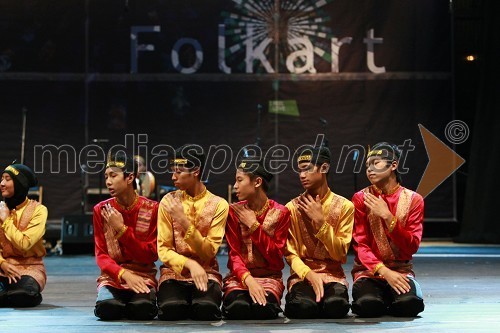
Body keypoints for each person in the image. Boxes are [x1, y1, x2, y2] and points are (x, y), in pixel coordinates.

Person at [351, 142, 425, 317]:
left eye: (376, 163)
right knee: (368, 307)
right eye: (367, 165)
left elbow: (411, 246)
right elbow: (360, 245)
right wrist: (384, 272)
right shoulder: (361, 198)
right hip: (369, 272)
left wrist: (388, 217)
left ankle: (403, 293)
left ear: (393, 165)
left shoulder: (414, 200)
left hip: (400, 271)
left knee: (408, 306)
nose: (370, 169)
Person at [157, 144, 229, 321]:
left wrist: (183, 220)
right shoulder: (168, 201)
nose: (173, 177)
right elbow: (163, 249)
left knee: (206, 311)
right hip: (174, 273)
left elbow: (209, 251)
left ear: (195, 171)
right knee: (171, 311)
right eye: (172, 171)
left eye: (179, 171)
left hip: (207, 272)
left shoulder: (219, 205)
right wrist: (190, 264)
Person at [284, 145, 354, 319]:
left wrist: (322, 223)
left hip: (333, 275)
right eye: (300, 170)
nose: (302, 175)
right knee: (301, 308)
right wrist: (309, 274)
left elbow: (340, 254)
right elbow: (290, 254)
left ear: (324, 168)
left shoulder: (344, 206)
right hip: (303, 276)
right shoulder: (292, 208)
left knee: (336, 307)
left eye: (307, 169)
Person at [93, 151, 159, 320]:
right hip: (113, 276)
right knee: (108, 309)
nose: (108, 181)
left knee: (142, 310)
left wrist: (121, 230)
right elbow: (101, 256)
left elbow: (150, 254)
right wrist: (124, 274)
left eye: (113, 176)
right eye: (106, 176)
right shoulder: (101, 210)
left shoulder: (152, 209)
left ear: (129, 178)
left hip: (143, 275)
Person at [222, 159, 290, 320]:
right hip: (240, 277)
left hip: (269, 277)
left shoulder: (281, 212)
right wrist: (249, 280)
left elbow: (275, 257)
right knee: (237, 308)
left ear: (257, 182)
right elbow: (234, 254)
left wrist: (253, 226)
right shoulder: (234, 212)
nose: (235, 186)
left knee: (263, 310)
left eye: (239, 180)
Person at [0, 163, 47, 307]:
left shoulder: (39, 210)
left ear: (20, 184)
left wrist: (6, 220)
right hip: (2, 267)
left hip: (30, 268)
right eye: (2, 178)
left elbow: (24, 243)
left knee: (24, 294)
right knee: (18, 296)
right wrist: (3, 263)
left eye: (7, 179)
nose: (2, 183)